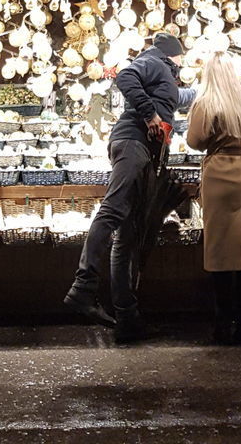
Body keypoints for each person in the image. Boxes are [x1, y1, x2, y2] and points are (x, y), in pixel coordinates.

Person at [64, 31, 195, 342]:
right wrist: (150, 115)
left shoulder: (166, 78)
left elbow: (181, 98)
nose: (182, 62)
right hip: (133, 143)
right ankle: (83, 287)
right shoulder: (154, 62)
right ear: (172, 54)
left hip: (142, 151)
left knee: (127, 234)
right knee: (113, 211)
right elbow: (125, 77)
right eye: (181, 56)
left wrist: (209, 90)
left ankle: (127, 319)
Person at [186, 51, 241, 346]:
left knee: (222, 251)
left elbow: (194, 141)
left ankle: (222, 324)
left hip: (219, 174)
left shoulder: (206, 103)